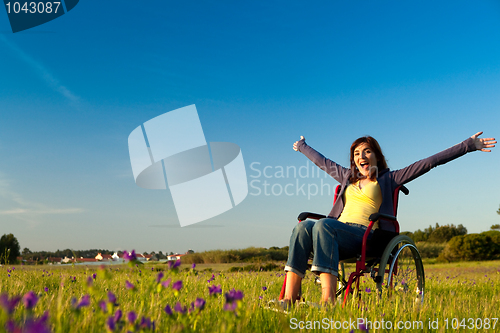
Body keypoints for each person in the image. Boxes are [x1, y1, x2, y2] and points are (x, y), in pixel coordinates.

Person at [282, 132, 496, 307]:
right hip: (333, 232)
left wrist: (468, 145)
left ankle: (327, 301)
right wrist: (302, 146)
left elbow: (430, 162)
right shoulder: (347, 176)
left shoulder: (389, 178)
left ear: (376, 156)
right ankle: (289, 299)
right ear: (354, 159)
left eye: (367, 151)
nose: (361, 156)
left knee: (323, 225)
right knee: (303, 227)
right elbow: (322, 162)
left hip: (364, 235)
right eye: (357, 153)